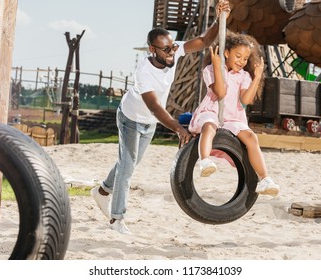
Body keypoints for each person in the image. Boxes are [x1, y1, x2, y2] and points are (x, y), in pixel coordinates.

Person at [91, 1, 231, 234]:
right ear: (152, 50)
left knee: (130, 162)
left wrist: (220, 17)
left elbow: (206, 41)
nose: (171, 52)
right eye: (165, 49)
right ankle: (117, 219)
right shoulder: (143, 73)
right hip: (130, 119)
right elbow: (156, 107)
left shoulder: (173, 52)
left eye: (173, 48)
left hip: (149, 122)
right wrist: (178, 128)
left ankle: (103, 191)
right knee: (127, 168)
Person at [188, 32, 280, 196]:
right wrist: (217, 66)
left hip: (232, 116)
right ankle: (204, 160)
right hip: (212, 111)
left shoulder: (244, 76)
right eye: (238, 56)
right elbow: (220, 93)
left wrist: (257, 77)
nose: (242, 62)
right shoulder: (210, 69)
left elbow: (247, 99)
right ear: (226, 53)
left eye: (245, 58)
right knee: (209, 126)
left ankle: (264, 179)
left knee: (252, 138)